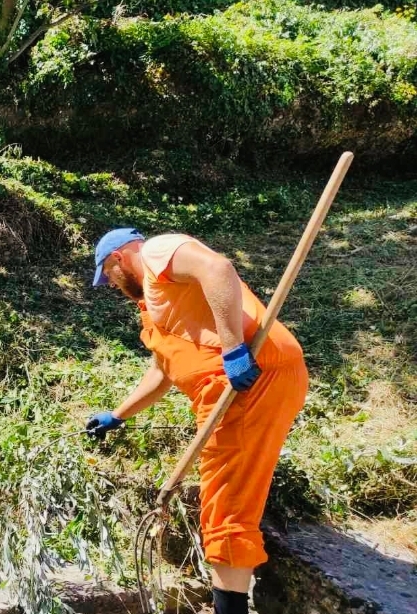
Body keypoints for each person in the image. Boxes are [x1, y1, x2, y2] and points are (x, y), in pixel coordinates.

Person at [85, 228, 308, 614]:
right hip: (245, 387)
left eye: (107, 274)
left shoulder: (157, 252)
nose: (110, 285)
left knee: (225, 511)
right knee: (231, 498)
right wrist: (116, 416)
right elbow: (162, 373)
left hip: (244, 385)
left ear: (119, 257)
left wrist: (234, 347)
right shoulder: (160, 306)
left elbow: (217, 268)